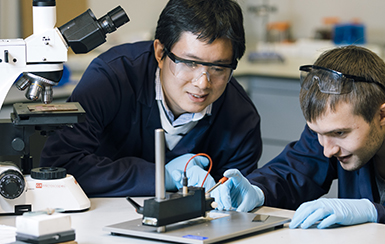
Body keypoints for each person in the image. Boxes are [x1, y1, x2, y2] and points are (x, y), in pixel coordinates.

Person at [212, 45, 385, 234]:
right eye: (317, 132)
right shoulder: (332, 130)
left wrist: (376, 215)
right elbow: (294, 170)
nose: (326, 150)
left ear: (383, 115)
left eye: (340, 134)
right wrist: (257, 189)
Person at [39, 0, 261, 197]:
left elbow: (234, 204)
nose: (203, 82)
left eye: (219, 68)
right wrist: (161, 177)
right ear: (160, 53)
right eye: (190, 63)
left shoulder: (241, 117)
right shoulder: (112, 78)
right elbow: (59, 164)